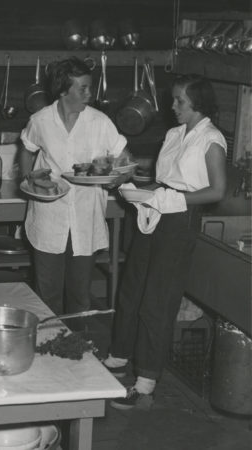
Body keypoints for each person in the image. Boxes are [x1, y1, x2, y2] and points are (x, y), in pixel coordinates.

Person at [104, 74, 227, 410]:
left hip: (180, 218)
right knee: (132, 288)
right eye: (174, 100)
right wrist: (139, 187)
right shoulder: (175, 133)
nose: (172, 107)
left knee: (157, 300)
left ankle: (145, 385)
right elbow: (165, 179)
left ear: (198, 104)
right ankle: (118, 356)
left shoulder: (211, 140)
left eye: (179, 102)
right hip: (156, 210)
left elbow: (217, 190)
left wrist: (174, 201)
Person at [19, 57, 130, 316]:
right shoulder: (40, 120)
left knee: (80, 296)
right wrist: (29, 178)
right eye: (83, 88)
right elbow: (26, 150)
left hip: (85, 217)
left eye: (90, 87)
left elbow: (125, 159)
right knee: (47, 295)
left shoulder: (100, 122)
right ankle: (47, 348)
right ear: (63, 90)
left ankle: (78, 351)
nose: (89, 94)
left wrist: (121, 176)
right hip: (49, 217)